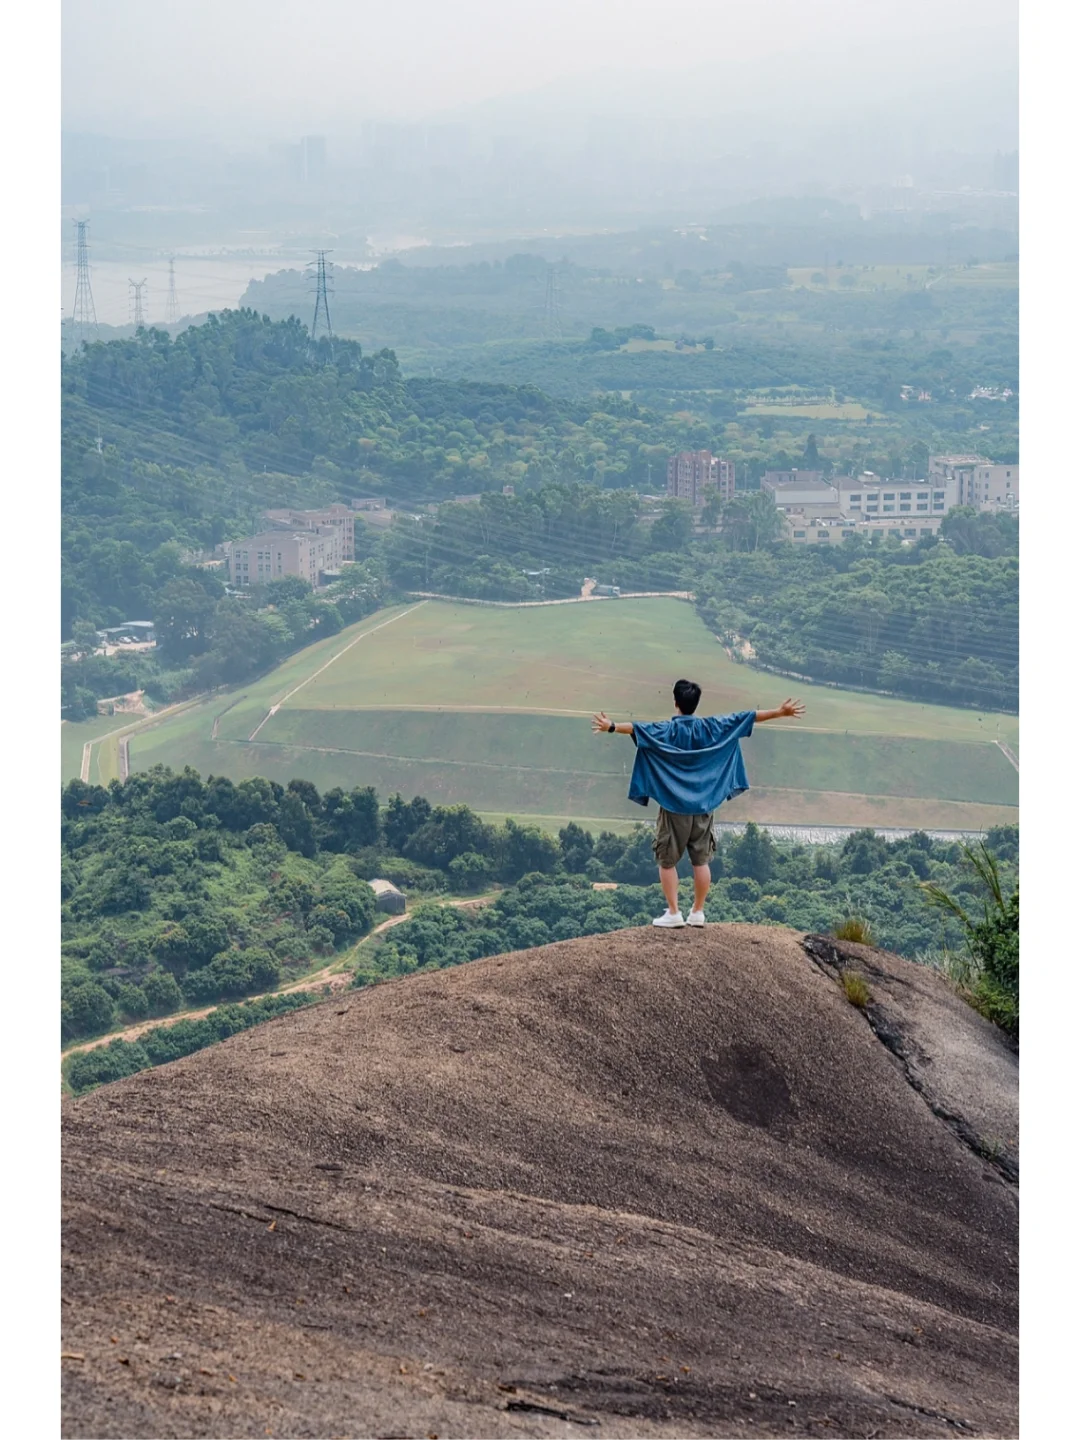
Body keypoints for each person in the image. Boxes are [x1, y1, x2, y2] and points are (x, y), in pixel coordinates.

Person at [592, 680, 805, 929]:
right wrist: (780, 712)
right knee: (700, 862)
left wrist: (611, 726)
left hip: (673, 807)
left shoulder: (666, 730)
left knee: (667, 861)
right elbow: (748, 717)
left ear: (675, 703)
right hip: (704, 806)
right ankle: (698, 912)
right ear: (696, 704)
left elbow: (637, 729)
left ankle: (673, 913)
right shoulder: (712, 727)